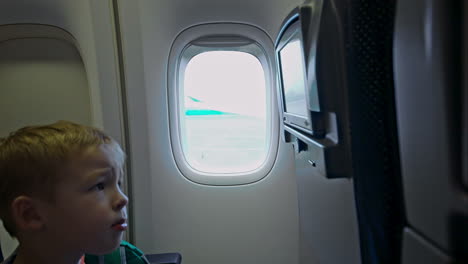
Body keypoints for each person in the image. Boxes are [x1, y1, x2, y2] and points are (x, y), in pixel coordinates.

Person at [0, 121, 129, 264]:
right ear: (30, 214)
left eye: (119, 183)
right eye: (99, 186)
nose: (123, 199)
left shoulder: (125, 258)